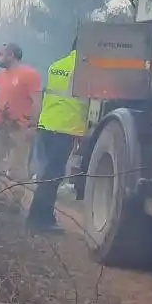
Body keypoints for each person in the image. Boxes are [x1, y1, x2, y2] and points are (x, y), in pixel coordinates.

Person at [27, 40, 88, 233]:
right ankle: (37, 221)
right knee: (51, 176)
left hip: (47, 124)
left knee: (48, 174)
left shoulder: (57, 65)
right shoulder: (84, 70)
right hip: (65, 128)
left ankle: (44, 216)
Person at [0, 43, 42, 178]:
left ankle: (20, 196)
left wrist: (32, 126)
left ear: (11, 55)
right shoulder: (2, 74)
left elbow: (37, 102)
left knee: (17, 167)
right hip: (0, 126)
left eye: (1, 54)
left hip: (20, 128)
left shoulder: (29, 74)